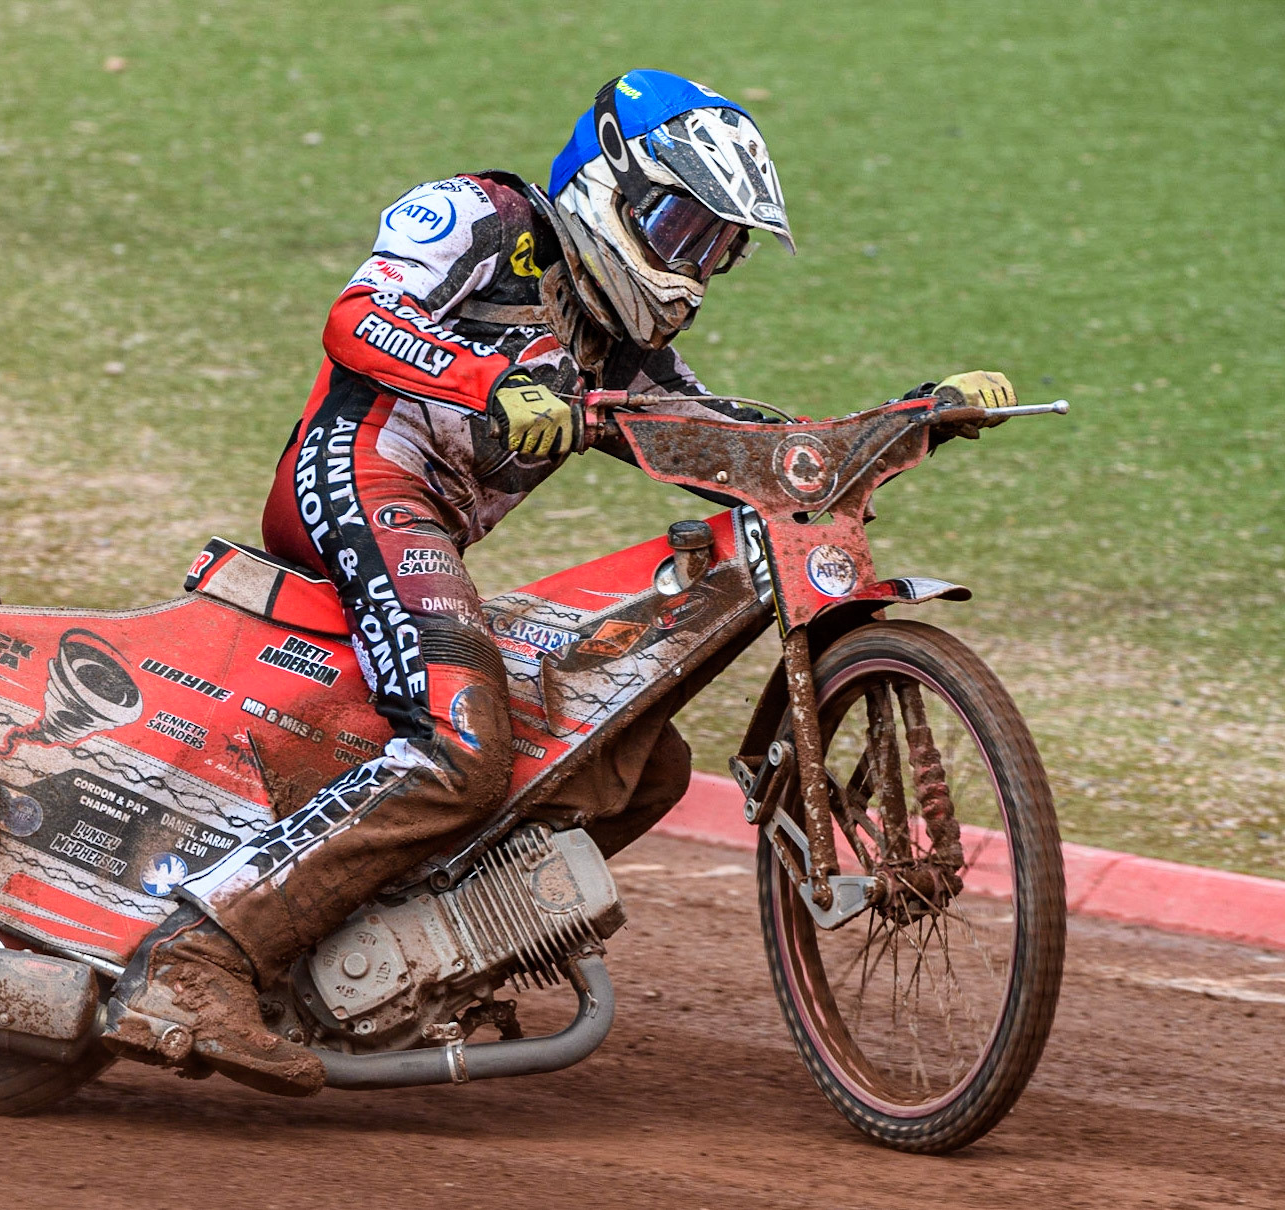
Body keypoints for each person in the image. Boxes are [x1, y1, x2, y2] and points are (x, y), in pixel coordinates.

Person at [101, 69, 1014, 1095]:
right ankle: (197, 960)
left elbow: (726, 437)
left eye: (719, 247)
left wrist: (901, 418)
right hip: (359, 476)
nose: (692, 267)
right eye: (677, 226)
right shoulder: (483, 218)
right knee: (465, 745)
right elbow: (358, 320)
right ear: (607, 186)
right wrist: (494, 380)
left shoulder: (621, 348)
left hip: (427, 524)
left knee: (645, 764)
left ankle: (431, 946)